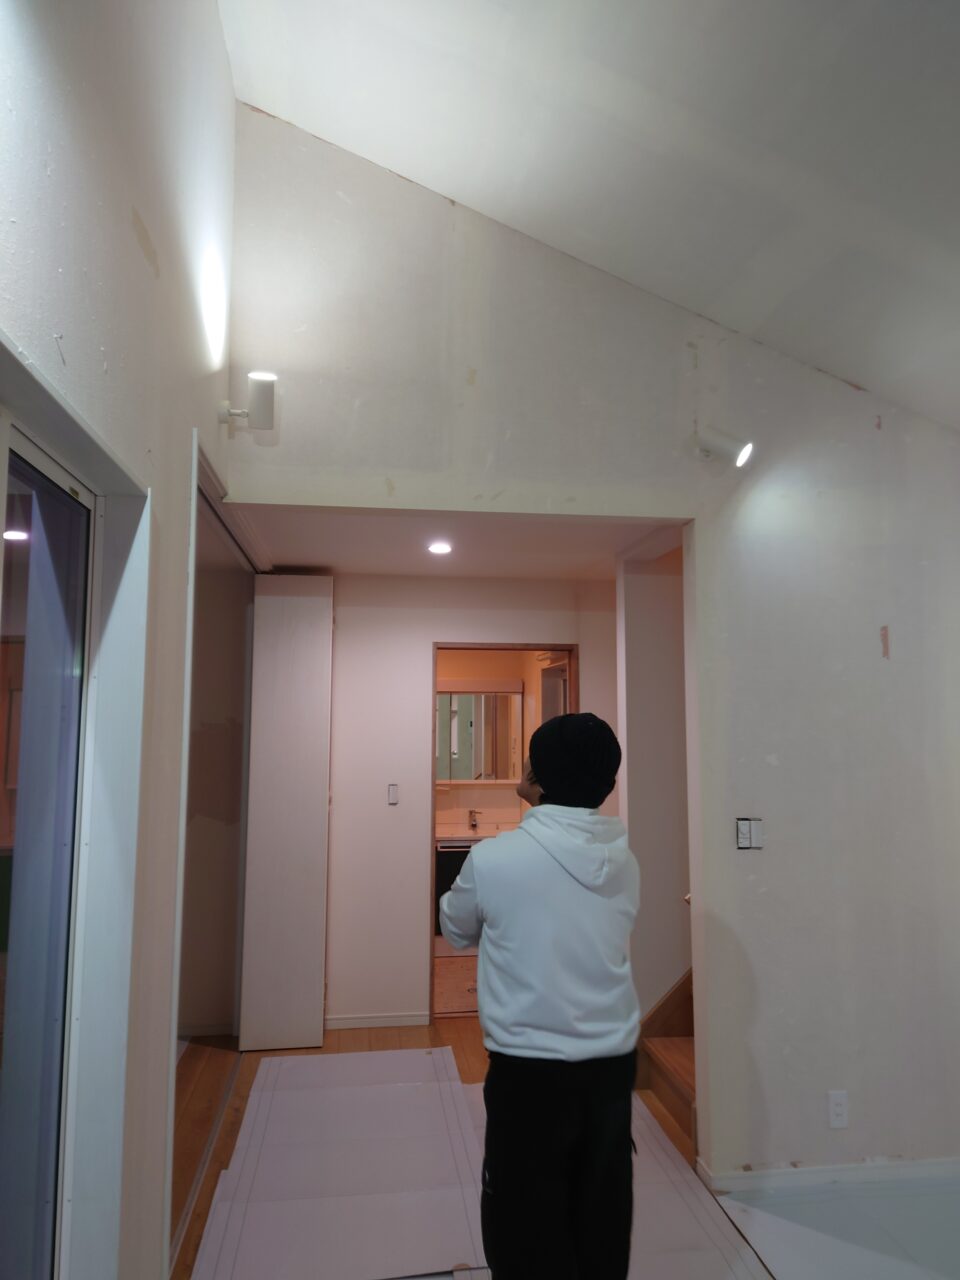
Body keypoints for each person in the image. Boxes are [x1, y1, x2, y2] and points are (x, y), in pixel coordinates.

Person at [439, 712, 640, 1280]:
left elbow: (455, 928)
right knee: (600, 1221)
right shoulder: (625, 862)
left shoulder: (494, 860)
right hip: (611, 1071)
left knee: (524, 1230)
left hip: (529, 1074)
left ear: (537, 775)